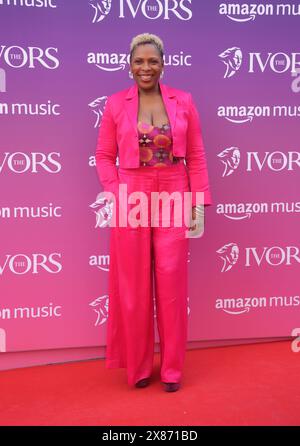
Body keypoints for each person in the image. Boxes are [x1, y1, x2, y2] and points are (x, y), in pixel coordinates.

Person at [95, 33, 212, 392]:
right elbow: (103, 156)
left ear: (163, 64)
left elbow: (195, 155)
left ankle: (173, 369)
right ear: (129, 65)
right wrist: (118, 192)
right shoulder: (116, 104)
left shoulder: (184, 101)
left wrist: (198, 202)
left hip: (174, 190)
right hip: (133, 193)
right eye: (139, 61)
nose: (146, 68)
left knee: (172, 282)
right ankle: (140, 367)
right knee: (132, 284)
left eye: (153, 61)